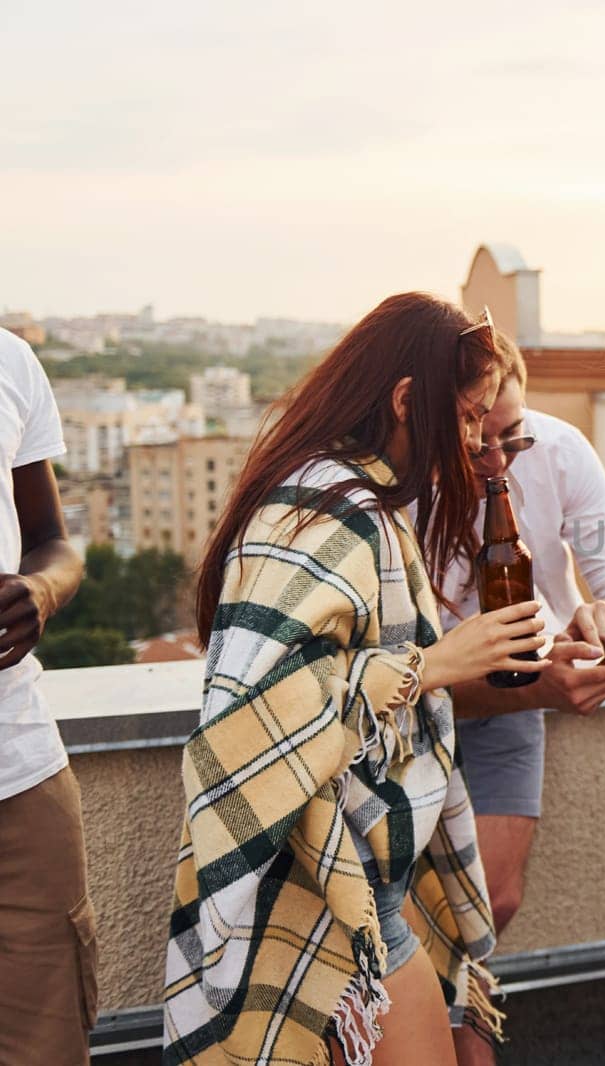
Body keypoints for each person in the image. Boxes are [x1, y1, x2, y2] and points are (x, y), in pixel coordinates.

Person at [165, 293, 551, 1066]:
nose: (479, 443)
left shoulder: (354, 497)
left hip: (358, 883)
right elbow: (253, 717)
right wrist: (438, 664)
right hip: (329, 893)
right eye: (470, 417)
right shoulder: (322, 506)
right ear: (408, 400)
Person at [442, 334, 605, 1066]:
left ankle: (448, 1030)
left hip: (518, 696)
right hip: (415, 703)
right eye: (480, 442)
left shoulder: (561, 449)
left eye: (514, 435)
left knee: (490, 901)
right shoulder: (395, 480)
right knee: (419, 907)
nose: (500, 460)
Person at [0, 328, 93, 1065]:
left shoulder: (10, 360)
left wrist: (41, 590)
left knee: (48, 1047)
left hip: (20, 773)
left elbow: (53, 541)